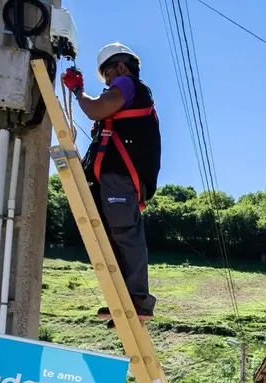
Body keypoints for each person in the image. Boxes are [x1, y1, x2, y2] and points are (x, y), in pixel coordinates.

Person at [62, 43, 161, 327]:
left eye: (108, 75)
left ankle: (138, 299)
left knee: (124, 233)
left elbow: (95, 109)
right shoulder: (127, 93)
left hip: (121, 177)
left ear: (120, 66)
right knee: (108, 237)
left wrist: (78, 91)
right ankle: (124, 300)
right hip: (109, 179)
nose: (107, 83)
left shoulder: (128, 85)